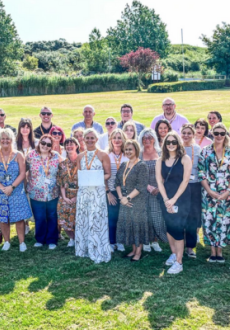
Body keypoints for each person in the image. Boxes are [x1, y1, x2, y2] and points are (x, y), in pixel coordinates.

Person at [156, 132, 192, 274]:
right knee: (169, 227)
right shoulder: (161, 160)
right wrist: (165, 199)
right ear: (165, 144)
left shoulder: (184, 159)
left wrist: (174, 199)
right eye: (168, 142)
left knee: (177, 228)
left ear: (178, 143)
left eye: (174, 142)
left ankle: (179, 262)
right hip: (166, 197)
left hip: (181, 198)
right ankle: (173, 253)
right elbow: (159, 181)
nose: (171, 144)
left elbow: (185, 181)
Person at [75, 128, 111, 263]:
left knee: (96, 218)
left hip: (97, 191)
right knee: (84, 218)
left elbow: (108, 173)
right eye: (87, 138)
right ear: (83, 140)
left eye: (92, 138)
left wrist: (97, 178)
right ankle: (83, 247)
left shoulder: (102, 155)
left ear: (96, 140)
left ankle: (97, 246)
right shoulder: (80, 156)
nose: (89, 140)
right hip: (84, 192)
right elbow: (79, 174)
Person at [198, 123, 230, 263]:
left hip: (226, 195)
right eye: (216, 133)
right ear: (211, 133)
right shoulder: (205, 151)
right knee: (209, 221)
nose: (218, 136)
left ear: (225, 135)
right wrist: (209, 191)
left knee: (223, 222)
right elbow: (201, 173)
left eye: (221, 133)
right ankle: (212, 251)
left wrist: (228, 192)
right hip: (208, 194)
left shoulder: (229, 151)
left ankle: (220, 251)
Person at [26, 134, 63, 249]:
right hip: (35, 193)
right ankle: (40, 239)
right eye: (43, 143)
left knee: (52, 216)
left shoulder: (56, 157)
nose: (45, 146)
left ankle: (52, 240)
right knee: (40, 217)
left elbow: (61, 172)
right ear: (39, 142)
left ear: (51, 146)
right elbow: (24, 171)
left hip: (52, 193)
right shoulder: (31, 155)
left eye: (48, 144)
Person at [116, 140, 149, 261]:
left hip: (137, 201)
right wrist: (121, 198)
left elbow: (141, 186)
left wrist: (128, 198)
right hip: (124, 201)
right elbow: (117, 182)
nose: (128, 151)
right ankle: (133, 249)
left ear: (136, 150)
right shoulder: (124, 165)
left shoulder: (141, 165)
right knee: (129, 226)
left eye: (131, 149)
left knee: (137, 226)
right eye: (126, 149)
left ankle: (138, 252)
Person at [0, 128, 32, 252]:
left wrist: (11, 187)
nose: (5, 141)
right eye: (2, 138)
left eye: (7, 138)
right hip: (1, 192)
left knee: (19, 218)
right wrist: (3, 188)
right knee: (3, 218)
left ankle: (21, 242)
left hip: (16, 191)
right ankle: (7, 241)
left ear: (12, 140)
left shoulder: (18, 155)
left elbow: (23, 173)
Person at [139, 128, 168, 252]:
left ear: (154, 139)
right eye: (144, 138)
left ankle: (155, 241)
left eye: (150, 138)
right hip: (142, 190)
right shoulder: (139, 154)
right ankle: (145, 242)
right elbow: (136, 174)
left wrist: (159, 187)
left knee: (156, 216)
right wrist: (148, 187)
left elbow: (167, 172)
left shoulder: (161, 153)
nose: (147, 140)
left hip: (158, 190)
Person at [181, 124, 202, 258]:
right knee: (180, 216)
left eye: (189, 133)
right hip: (180, 187)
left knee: (192, 217)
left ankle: (190, 247)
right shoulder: (177, 148)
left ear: (193, 135)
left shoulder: (198, 149)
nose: (186, 135)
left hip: (194, 186)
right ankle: (179, 245)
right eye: (184, 133)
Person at [106, 129, 128, 252]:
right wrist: (108, 192)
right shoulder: (106, 155)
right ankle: (112, 241)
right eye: (115, 138)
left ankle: (121, 241)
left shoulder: (128, 155)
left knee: (123, 218)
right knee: (112, 217)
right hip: (112, 191)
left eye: (120, 137)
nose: (117, 140)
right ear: (111, 140)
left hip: (125, 192)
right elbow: (103, 175)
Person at [16, 118, 38, 234]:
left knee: (33, 199)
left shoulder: (37, 143)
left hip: (34, 176)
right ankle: (25, 224)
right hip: (19, 176)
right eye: (23, 127)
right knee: (22, 198)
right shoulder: (15, 144)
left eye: (27, 127)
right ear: (19, 128)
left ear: (30, 129)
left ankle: (36, 224)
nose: (25, 129)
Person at [57, 138, 79, 247]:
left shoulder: (81, 162)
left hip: (79, 194)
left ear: (77, 146)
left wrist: (77, 197)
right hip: (66, 195)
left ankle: (79, 237)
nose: (69, 146)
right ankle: (72, 238)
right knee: (62, 213)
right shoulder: (62, 164)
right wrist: (64, 197)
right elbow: (61, 182)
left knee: (77, 217)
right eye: (67, 145)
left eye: (72, 144)